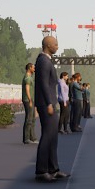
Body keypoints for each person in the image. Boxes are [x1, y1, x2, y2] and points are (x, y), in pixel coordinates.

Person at [33, 36, 66, 180]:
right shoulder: (44, 61)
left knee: (53, 137)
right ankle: (41, 171)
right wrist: (48, 103)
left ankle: (53, 169)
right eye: (55, 44)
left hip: (50, 103)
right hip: (47, 104)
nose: (57, 46)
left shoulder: (45, 60)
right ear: (48, 45)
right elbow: (44, 84)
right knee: (47, 136)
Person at [20, 61, 36, 144]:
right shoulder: (27, 78)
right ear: (30, 68)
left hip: (30, 99)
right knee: (29, 119)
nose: (34, 69)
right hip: (28, 100)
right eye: (33, 68)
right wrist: (30, 100)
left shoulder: (30, 77)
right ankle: (26, 138)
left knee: (32, 118)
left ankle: (32, 137)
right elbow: (27, 89)